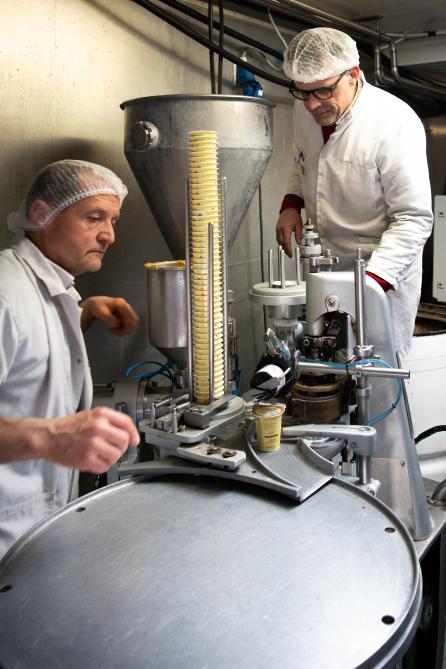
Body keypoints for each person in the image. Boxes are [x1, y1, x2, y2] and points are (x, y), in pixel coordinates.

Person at [0, 159, 140, 556]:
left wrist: (84, 313)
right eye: (94, 217)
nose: (109, 235)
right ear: (43, 214)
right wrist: (52, 437)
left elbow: (27, 356)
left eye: (113, 220)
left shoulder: (50, 287)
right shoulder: (5, 295)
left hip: (37, 535)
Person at [276, 27, 433, 357]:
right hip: (328, 270)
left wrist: (370, 286)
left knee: (376, 380)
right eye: (302, 92)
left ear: (353, 74)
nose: (312, 104)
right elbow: (301, 159)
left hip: (381, 274)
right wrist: (292, 203)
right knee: (330, 370)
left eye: (322, 91)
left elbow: (413, 220)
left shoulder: (394, 123)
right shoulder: (307, 109)